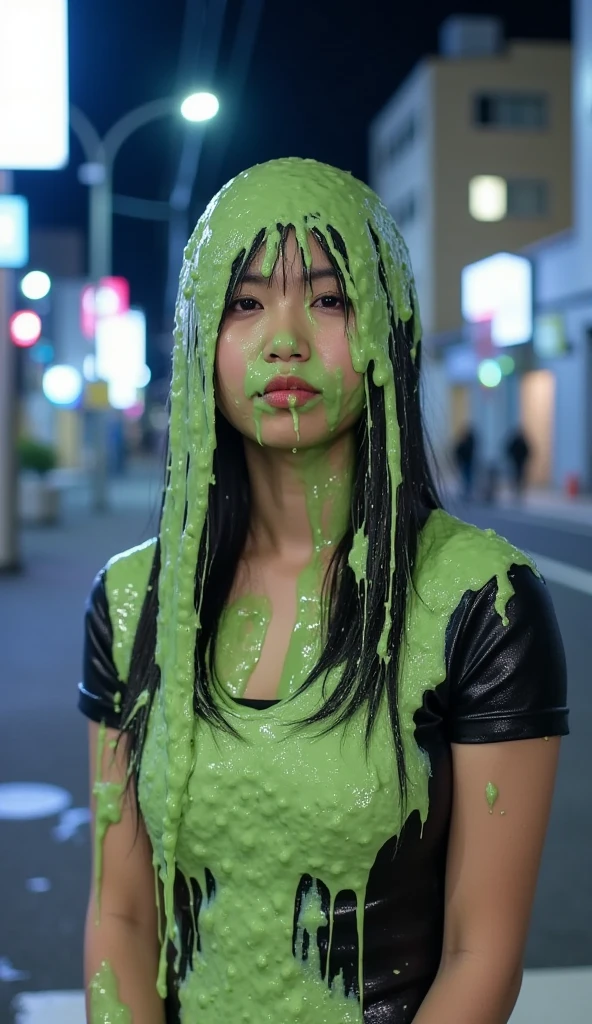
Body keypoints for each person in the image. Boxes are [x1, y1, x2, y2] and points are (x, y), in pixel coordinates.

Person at [78, 158, 568, 1024]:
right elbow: (121, 912)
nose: (285, 339)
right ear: (201, 337)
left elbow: (480, 955)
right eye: (245, 302)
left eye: (331, 299)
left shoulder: (481, 601)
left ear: (389, 325)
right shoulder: (129, 600)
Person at [506, 429, 531, 499]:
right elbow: (509, 450)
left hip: (521, 463)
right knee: (515, 478)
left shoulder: (523, 442)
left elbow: (528, 451)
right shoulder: (515, 442)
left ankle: (519, 492)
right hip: (515, 463)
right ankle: (515, 491)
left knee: (520, 478)